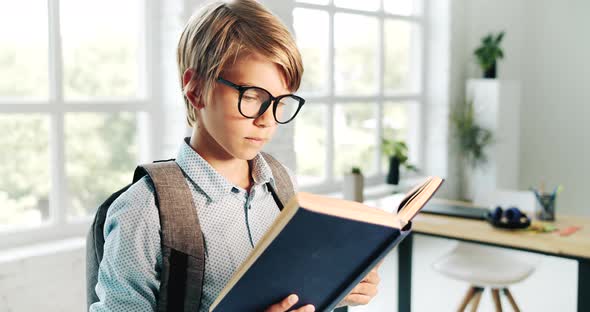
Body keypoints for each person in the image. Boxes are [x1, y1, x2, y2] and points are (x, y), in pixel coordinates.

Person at [89, 1, 380, 311]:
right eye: (252, 97)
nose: (267, 119)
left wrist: (334, 288)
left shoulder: (280, 184)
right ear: (196, 90)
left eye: (281, 102)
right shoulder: (144, 211)